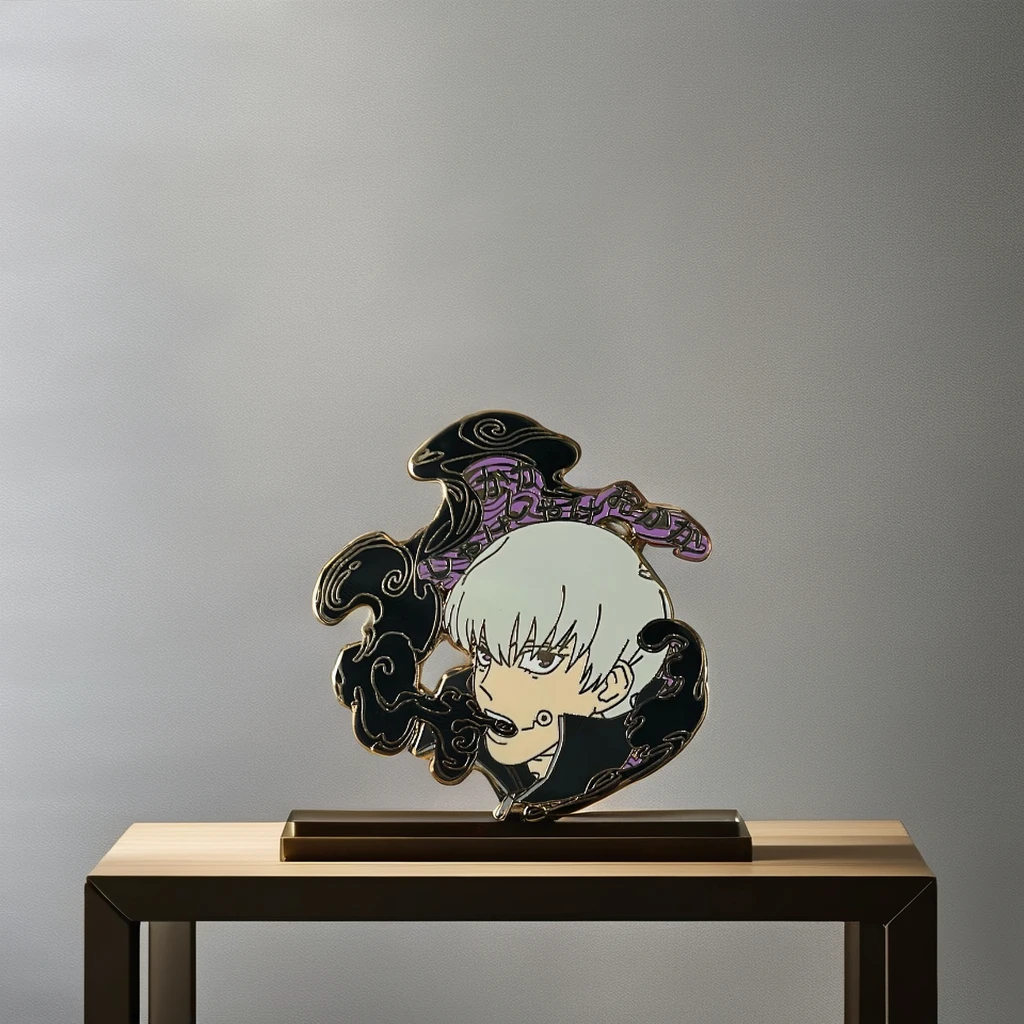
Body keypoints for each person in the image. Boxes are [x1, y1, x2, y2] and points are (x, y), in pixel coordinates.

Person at [440, 518, 672, 810]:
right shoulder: (453, 724)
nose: (488, 687)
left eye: (540, 661)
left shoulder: (628, 757)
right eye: (485, 655)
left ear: (611, 685)